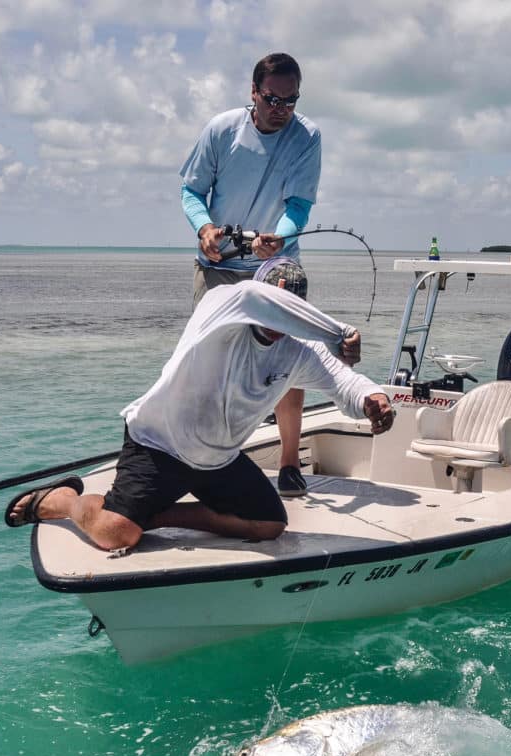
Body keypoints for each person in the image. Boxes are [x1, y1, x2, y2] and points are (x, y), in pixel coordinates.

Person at [5, 260, 394, 553]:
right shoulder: (221, 308)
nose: (281, 314)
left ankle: (154, 516)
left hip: (219, 460)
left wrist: (372, 401)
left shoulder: (296, 352)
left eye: (294, 305)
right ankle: (62, 500)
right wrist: (336, 333)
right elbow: (254, 298)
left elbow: (344, 381)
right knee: (115, 534)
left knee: (268, 524)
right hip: (159, 445)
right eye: (280, 301)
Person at [179, 51, 323, 498]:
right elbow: (191, 190)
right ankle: (201, 456)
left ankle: (288, 463)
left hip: (277, 267)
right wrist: (204, 228)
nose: (280, 109)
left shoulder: (308, 137)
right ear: (253, 93)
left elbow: (298, 205)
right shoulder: (221, 130)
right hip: (219, 266)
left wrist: (277, 239)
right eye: (272, 99)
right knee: (205, 363)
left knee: (288, 365)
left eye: (290, 100)